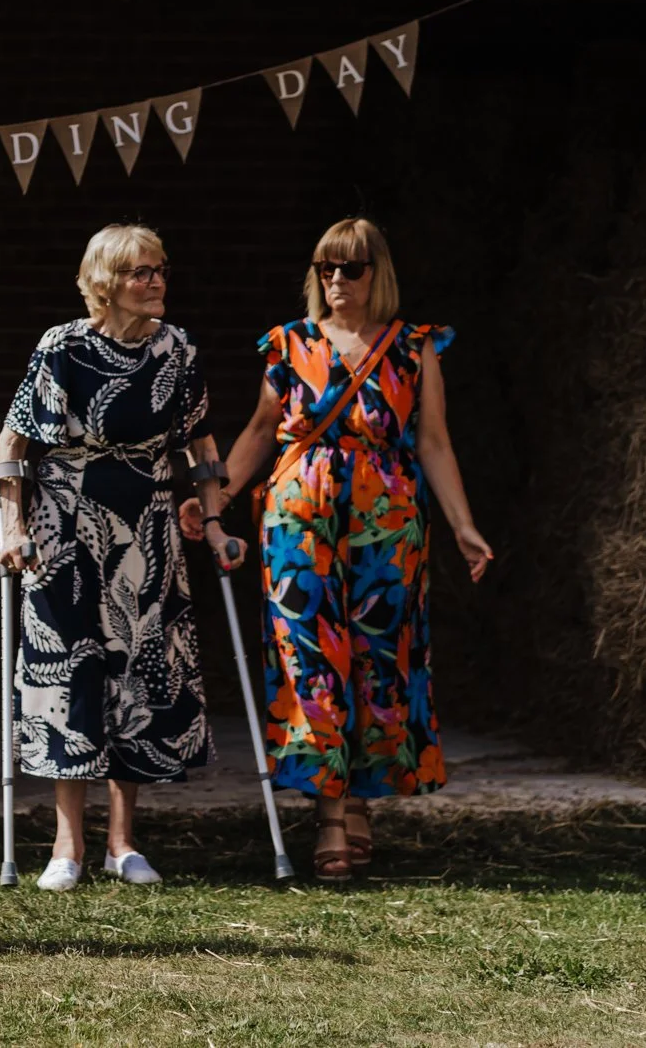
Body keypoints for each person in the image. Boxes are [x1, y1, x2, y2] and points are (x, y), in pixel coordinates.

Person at [183, 217, 494, 881]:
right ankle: (331, 813)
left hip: (388, 520)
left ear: (377, 273)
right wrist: (215, 500)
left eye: (351, 267)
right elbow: (261, 430)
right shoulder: (289, 343)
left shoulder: (415, 347)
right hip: (300, 519)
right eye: (326, 267)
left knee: (381, 657)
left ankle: (361, 799)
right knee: (311, 659)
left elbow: (433, 441)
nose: (336, 279)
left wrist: (464, 524)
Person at [0, 224, 241, 893]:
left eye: (160, 269)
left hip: (149, 524)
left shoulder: (177, 350)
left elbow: (201, 440)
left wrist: (214, 521)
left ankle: (122, 841)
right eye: (140, 271)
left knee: (140, 675)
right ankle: (66, 845)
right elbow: (14, 442)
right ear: (106, 281)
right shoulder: (63, 347)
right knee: (71, 674)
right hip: (66, 525)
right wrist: (11, 526)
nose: (155, 281)